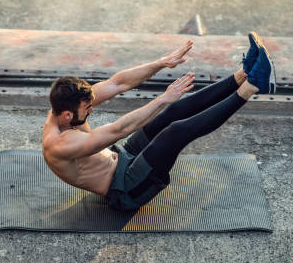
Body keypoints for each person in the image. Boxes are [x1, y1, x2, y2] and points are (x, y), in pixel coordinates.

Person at [42, 32, 276, 211]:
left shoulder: (67, 103)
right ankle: (253, 86)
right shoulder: (60, 144)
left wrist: (161, 63)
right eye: (87, 108)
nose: (92, 109)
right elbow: (120, 129)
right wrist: (162, 98)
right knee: (174, 131)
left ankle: (243, 74)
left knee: (172, 113)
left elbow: (117, 83)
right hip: (126, 187)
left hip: (123, 157)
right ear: (67, 116)